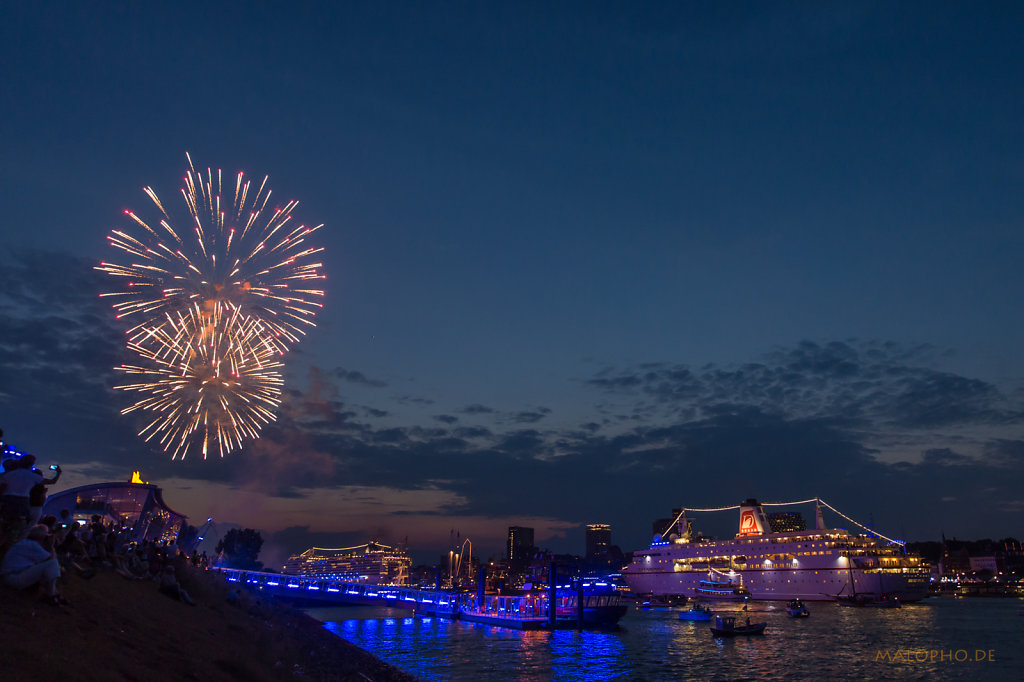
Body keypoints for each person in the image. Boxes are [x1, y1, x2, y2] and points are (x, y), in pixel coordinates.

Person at [0, 524, 67, 605]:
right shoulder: (32, 545)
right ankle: (52, 595)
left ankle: (54, 594)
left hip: (11, 576)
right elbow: (52, 559)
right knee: (52, 564)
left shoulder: (26, 543)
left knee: (48, 568)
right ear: (41, 537)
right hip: (12, 578)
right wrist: (51, 546)